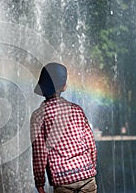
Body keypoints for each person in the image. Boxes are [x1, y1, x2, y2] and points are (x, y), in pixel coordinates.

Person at [30, 62, 97, 193]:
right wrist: (91, 167)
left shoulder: (38, 116)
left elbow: (39, 153)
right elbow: (90, 143)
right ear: (64, 86)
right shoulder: (76, 110)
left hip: (63, 179)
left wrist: (39, 182)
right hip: (87, 175)